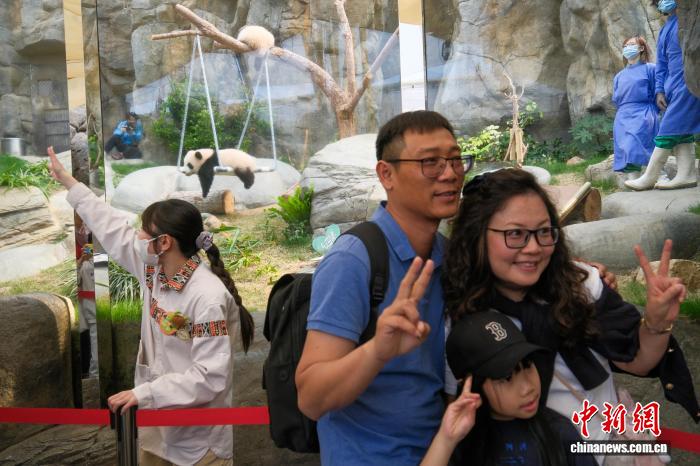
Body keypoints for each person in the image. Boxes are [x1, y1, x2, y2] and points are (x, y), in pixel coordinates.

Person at [443, 168, 699, 464]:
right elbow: (461, 414)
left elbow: (639, 361)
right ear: (477, 235)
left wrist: (656, 323)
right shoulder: (465, 320)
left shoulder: (580, 285)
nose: (533, 248)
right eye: (515, 234)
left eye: (544, 231)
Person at [47, 146, 255, 466]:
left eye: (143, 230)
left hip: (199, 444)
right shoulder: (154, 270)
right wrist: (69, 182)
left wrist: (144, 394)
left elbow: (209, 377)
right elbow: (111, 226)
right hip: (157, 430)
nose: (137, 235)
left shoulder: (207, 297)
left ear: (164, 242)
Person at [295, 111, 468, 464]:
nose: (450, 174)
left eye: (455, 160)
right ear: (386, 174)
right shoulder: (353, 260)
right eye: (430, 162)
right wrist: (378, 350)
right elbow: (310, 399)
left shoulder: (446, 255)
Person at [422, 311, 597, 466]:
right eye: (506, 378)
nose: (527, 388)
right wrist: (446, 441)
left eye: (527, 365)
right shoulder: (457, 442)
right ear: (472, 385)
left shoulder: (558, 430)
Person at [625, 0, 700, 190]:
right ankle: (687, 175)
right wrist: (659, 90)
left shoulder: (689, 21)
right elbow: (662, 64)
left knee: (668, 129)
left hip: (688, 82)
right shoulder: (666, 28)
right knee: (681, 130)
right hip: (671, 86)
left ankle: (649, 177)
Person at [612, 36, 659, 174]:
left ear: (641, 48)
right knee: (626, 152)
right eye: (625, 46)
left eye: (632, 44)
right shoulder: (619, 76)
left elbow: (659, 92)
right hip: (622, 117)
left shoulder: (651, 69)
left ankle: (660, 176)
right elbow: (616, 99)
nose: (628, 48)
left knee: (638, 146)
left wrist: (653, 113)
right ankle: (633, 182)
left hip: (643, 114)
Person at [77, 243, 98, 378]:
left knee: (95, 339)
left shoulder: (94, 262)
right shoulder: (84, 264)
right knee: (94, 339)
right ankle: (94, 373)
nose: (88, 251)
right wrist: (81, 261)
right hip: (89, 305)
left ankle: (94, 373)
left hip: (93, 305)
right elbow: (77, 281)